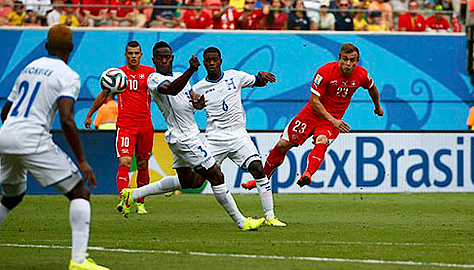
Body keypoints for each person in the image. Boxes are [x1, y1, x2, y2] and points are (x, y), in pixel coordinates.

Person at [0, 25, 109, 270]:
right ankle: (79, 261)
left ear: (46, 46)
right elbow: (67, 118)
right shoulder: (68, 75)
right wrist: (81, 160)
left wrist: (15, 134)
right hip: (32, 137)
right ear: (71, 48)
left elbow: (6, 110)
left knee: (11, 197)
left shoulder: (29, 68)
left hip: (7, 135)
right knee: (79, 192)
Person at [119, 41, 265, 231]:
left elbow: (192, 102)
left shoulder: (181, 77)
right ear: (154, 60)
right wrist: (190, 70)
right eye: (160, 57)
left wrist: (198, 103)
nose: (164, 60)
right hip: (185, 138)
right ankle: (241, 221)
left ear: (172, 58)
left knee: (188, 181)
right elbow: (171, 89)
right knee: (216, 175)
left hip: (183, 136)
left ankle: (133, 194)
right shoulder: (153, 79)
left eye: (167, 56)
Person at [242, 43, 383, 190]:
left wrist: (377, 106)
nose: (348, 64)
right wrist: (333, 120)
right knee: (282, 145)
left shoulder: (362, 75)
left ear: (357, 61)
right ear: (339, 58)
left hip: (332, 119)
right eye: (345, 59)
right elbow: (314, 101)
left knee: (322, 140)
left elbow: (372, 88)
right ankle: (262, 179)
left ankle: (308, 174)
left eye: (352, 60)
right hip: (311, 114)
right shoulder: (325, 72)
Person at [190, 47, 285, 226]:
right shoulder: (197, 88)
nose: (211, 63)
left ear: (220, 61)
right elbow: (190, 111)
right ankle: (149, 191)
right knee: (195, 182)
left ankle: (270, 216)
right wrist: (198, 106)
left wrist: (261, 76)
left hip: (238, 135)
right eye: (208, 60)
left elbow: (258, 81)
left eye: (215, 60)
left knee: (258, 168)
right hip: (215, 139)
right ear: (203, 63)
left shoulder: (235, 76)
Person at [85, 41, 155, 214]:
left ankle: (141, 203)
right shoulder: (119, 75)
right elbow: (104, 95)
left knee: (143, 164)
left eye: (136, 53)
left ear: (141, 55)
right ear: (125, 55)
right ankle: (124, 200)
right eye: (130, 53)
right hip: (125, 125)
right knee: (124, 161)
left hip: (145, 124)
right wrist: (89, 114)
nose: (133, 56)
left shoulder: (150, 74)